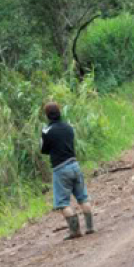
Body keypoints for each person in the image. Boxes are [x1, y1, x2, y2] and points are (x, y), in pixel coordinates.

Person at [40, 102, 94, 239]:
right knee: (83, 198)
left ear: (47, 115)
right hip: (75, 165)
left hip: (60, 169)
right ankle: (90, 227)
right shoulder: (69, 127)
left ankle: (75, 231)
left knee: (62, 203)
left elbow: (44, 150)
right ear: (60, 112)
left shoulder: (47, 131)